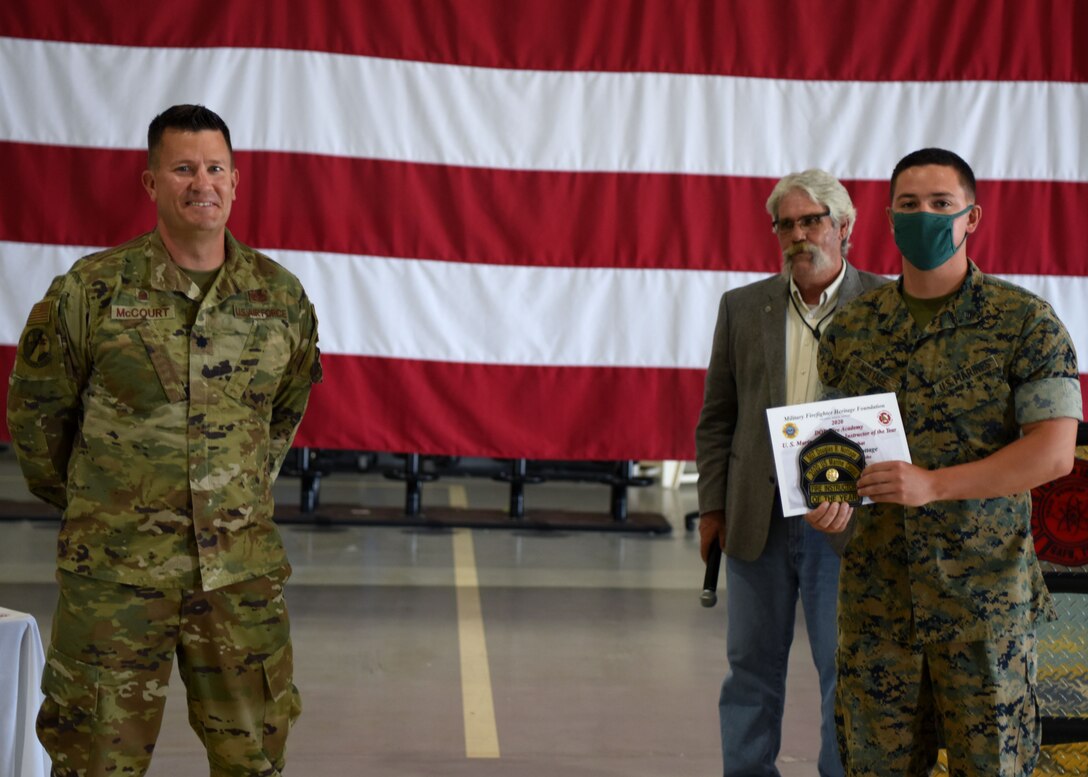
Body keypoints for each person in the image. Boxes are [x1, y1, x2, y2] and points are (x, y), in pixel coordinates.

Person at [6, 104, 322, 776]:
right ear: (152, 183)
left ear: (236, 181)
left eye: (214, 168)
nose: (200, 182)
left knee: (253, 760)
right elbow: (36, 417)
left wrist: (233, 496)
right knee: (93, 763)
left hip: (239, 579)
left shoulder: (279, 298)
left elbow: (284, 407)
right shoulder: (92, 291)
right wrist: (101, 504)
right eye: (182, 168)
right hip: (116, 581)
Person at [806, 148, 1082, 775]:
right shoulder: (852, 328)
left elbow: (1054, 451)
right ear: (889, 217)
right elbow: (830, 451)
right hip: (878, 605)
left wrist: (933, 485)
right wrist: (829, 504)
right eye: (909, 205)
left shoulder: (1025, 324)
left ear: (972, 218)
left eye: (940, 205)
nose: (924, 216)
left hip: (983, 607)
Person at [695, 169, 887, 776]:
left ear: (845, 228)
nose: (799, 234)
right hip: (758, 519)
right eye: (787, 223)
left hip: (849, 526)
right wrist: (711, 508)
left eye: (813, 220)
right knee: (750, 671)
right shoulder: (742, 308)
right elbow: (716, 420)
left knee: (845, 675)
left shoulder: (886, 305)